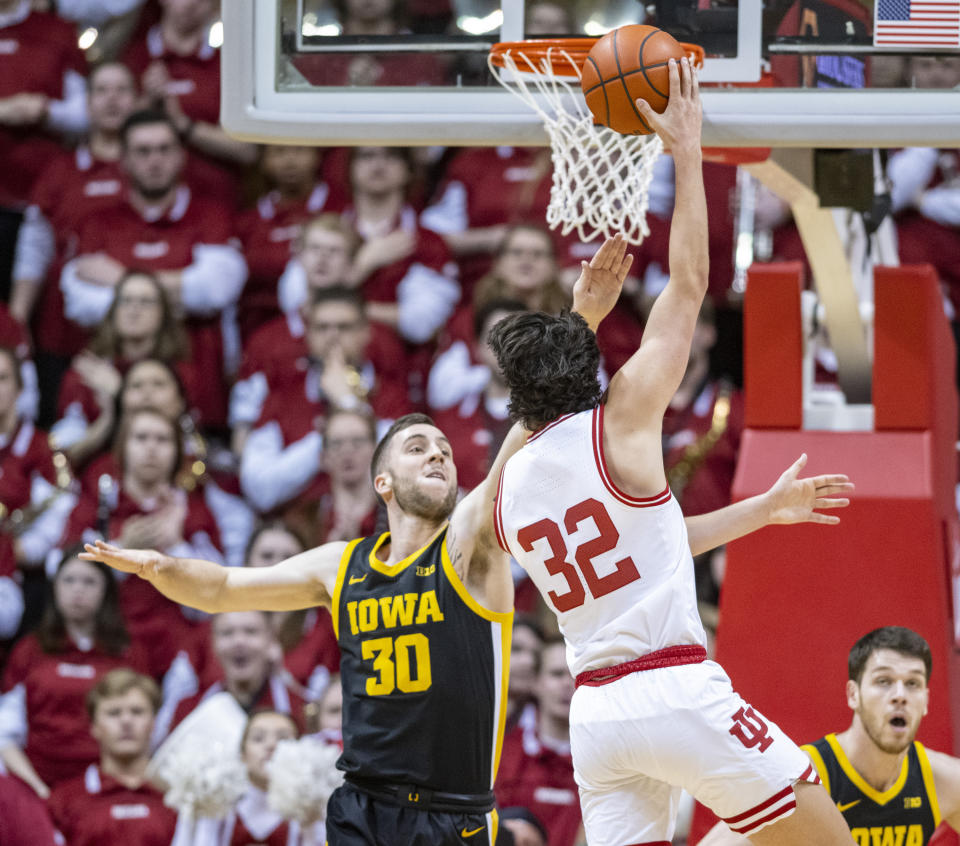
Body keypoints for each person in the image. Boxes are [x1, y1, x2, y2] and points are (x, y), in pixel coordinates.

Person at [81, 224, 846, 844]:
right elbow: (221, 587)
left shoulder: (475, 534)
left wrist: (581, 321)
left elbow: (533, 424)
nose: (438, 451)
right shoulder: (340, 567)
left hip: (453, 810)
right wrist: (155, 567)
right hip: (365, 802)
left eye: (445, 446)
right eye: (417, 447)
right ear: (381, 481)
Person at [488, 57, 856, 846]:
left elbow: (649, 544)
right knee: (831, 839)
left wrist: (761, 510)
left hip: (594, 716)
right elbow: (687, 286)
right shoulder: (619, 420)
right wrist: (686, 150)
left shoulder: (511, 482)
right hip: (672, 686)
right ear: (587, 362)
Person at [699, 626, 960, 846]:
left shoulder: (942, 780)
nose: (900, 695)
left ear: (926, 700)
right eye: (884, 681)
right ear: (853, 695)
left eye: (913, 683)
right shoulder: (801, 777)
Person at [0, 548, 149, 796]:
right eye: (69, 580)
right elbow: (5, 732)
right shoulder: (30, 650)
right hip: (37, 784)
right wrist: (37, 791)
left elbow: (147, 729)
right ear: (55, 588)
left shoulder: (128, 652)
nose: (78, 589)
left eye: (89, 581)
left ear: (106, 591)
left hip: (111, 788)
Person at [47, 668, 178, 846]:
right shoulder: (63, 801)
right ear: (94, 726)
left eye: (137, 711)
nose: (126, 721)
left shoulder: (179, 795)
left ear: (154, 723)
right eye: (114, 713)